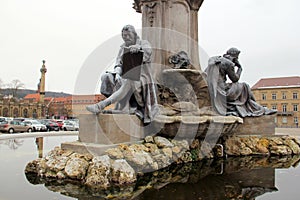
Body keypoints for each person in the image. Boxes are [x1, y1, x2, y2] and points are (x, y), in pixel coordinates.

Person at [86, 25, 158, 123]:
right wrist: (117, 74)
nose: (126, 38)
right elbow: (118, 64)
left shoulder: (144, 43)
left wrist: (138, 48)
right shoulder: (123, 47)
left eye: (128, 35)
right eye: (124, 36)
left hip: (142, 79)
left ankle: (101, 105)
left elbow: (147, 52)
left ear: (134, 35)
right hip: (125, 77)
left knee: (130, 79)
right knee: (106, 77)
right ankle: (120, 106)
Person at [205, 47, 276, 117]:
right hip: (222, 92)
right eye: (237, 57)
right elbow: (235, 79)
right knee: (245, 86)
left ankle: (256, 107)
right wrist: (240, 68)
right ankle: (257, 108)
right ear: (235, 57)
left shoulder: (215, 59)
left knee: (241, 88)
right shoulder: (229, 64)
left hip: (213, 89)